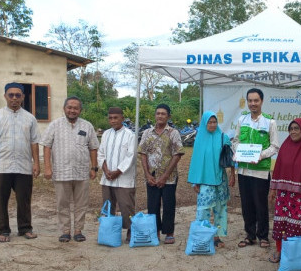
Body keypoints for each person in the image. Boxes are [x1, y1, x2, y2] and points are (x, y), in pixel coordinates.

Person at [0, 82, 40, 242]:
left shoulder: (30, 118)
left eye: (18, 95)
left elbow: (34, 142)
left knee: (24, 199)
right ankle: (3, 230)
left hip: (23, 166)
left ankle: (25, 228)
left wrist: (36, 163)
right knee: (0, 200)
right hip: (1, 165)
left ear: (22, 97)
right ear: (5, 96)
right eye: (11, 95)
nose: (14, 98)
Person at [42, 96, 99, 242]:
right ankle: (65, 231)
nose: (72, 110)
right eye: (69, 107)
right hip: (61, 171)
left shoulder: (87, 126)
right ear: (64, 109)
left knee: (81, 203)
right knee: (62, 203)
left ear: (80, 110)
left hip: (81, 172)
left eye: (76, 108)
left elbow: (93, 148)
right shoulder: (55, 125)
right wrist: (47, 167)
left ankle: (78, 230)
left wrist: (94, 168)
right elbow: (47, 146)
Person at [268, 119, 301, 263]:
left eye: (296, 128)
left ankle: (296, 255)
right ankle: (280, 251)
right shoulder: (285, 146)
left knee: (298, 225)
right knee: (282, 223)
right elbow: (278, 168)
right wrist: (273, 189)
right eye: (291, 128)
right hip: (284, 195)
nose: (293, 131)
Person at [234, 88, 280, 248]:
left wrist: (260, 155)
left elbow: (275, 146)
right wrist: (237, 151)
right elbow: (236, 141)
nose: (253, 104)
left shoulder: (270, 122)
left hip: (261, 171)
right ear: (247, 102)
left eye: (256, 100)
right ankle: (250, 235)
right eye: (250, 101)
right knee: (246, 204)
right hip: (243, 170)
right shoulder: (242, 120)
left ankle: (263, 236)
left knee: (260, 203)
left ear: (261, 101)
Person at [187, 111, 235, 247]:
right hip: (204, 181)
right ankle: (203, 235)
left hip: (220, 180)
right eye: (210, 122)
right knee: (203, 210)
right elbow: (196, 161)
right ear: (205, 123)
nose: (212, 125)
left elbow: (230, 157)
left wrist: (232, 175)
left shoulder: (223, 137)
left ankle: (217, 237)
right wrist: (195, 182)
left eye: (214, 122)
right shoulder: (199, 139)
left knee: (220, 210)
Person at [138, 103, 184, 244]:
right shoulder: (147, 133)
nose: (160, 116)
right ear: (155, 115)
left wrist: (164, 176)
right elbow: (143, 154)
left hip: (169, 177)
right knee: (152, 205)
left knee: (169, 204)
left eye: (163, 114)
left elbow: (177, 154)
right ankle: (155, 231)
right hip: (151, 176)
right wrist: (147, 174)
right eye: (158, 113)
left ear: (168, 116)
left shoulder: (173, 133)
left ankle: (169, 232)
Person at [98, 107, 137, 243]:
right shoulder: (106, 134)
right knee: (108, 206)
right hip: (107, 177)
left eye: (116, 117)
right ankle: (109, 231)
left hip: (123, 178)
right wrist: (105, 170)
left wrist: (118, 171)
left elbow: (130, 156)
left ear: (122, 118)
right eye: (110, 118)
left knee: (126, 206)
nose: (113, 120)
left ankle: (131, 230)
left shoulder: (130, 135)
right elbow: (101, 153)